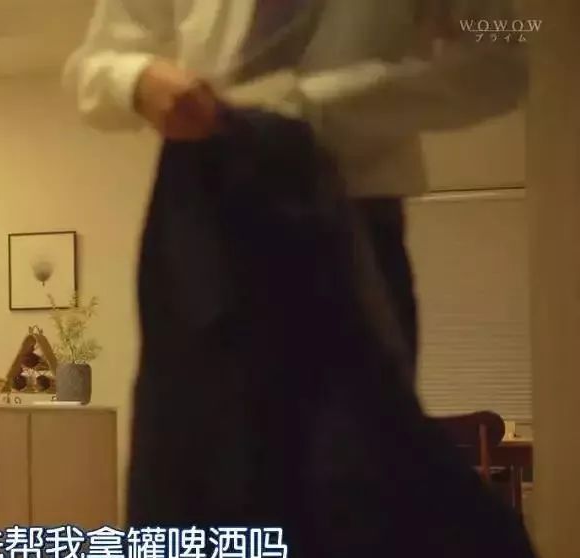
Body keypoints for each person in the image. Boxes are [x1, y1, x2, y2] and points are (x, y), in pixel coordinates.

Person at [64, 0, 528, 367]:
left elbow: (508, 53)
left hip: (353, 222)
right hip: (206, 221)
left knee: (363, 451)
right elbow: (90, 65)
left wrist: (313, 105)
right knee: (194, 450)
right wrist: (135, 79)